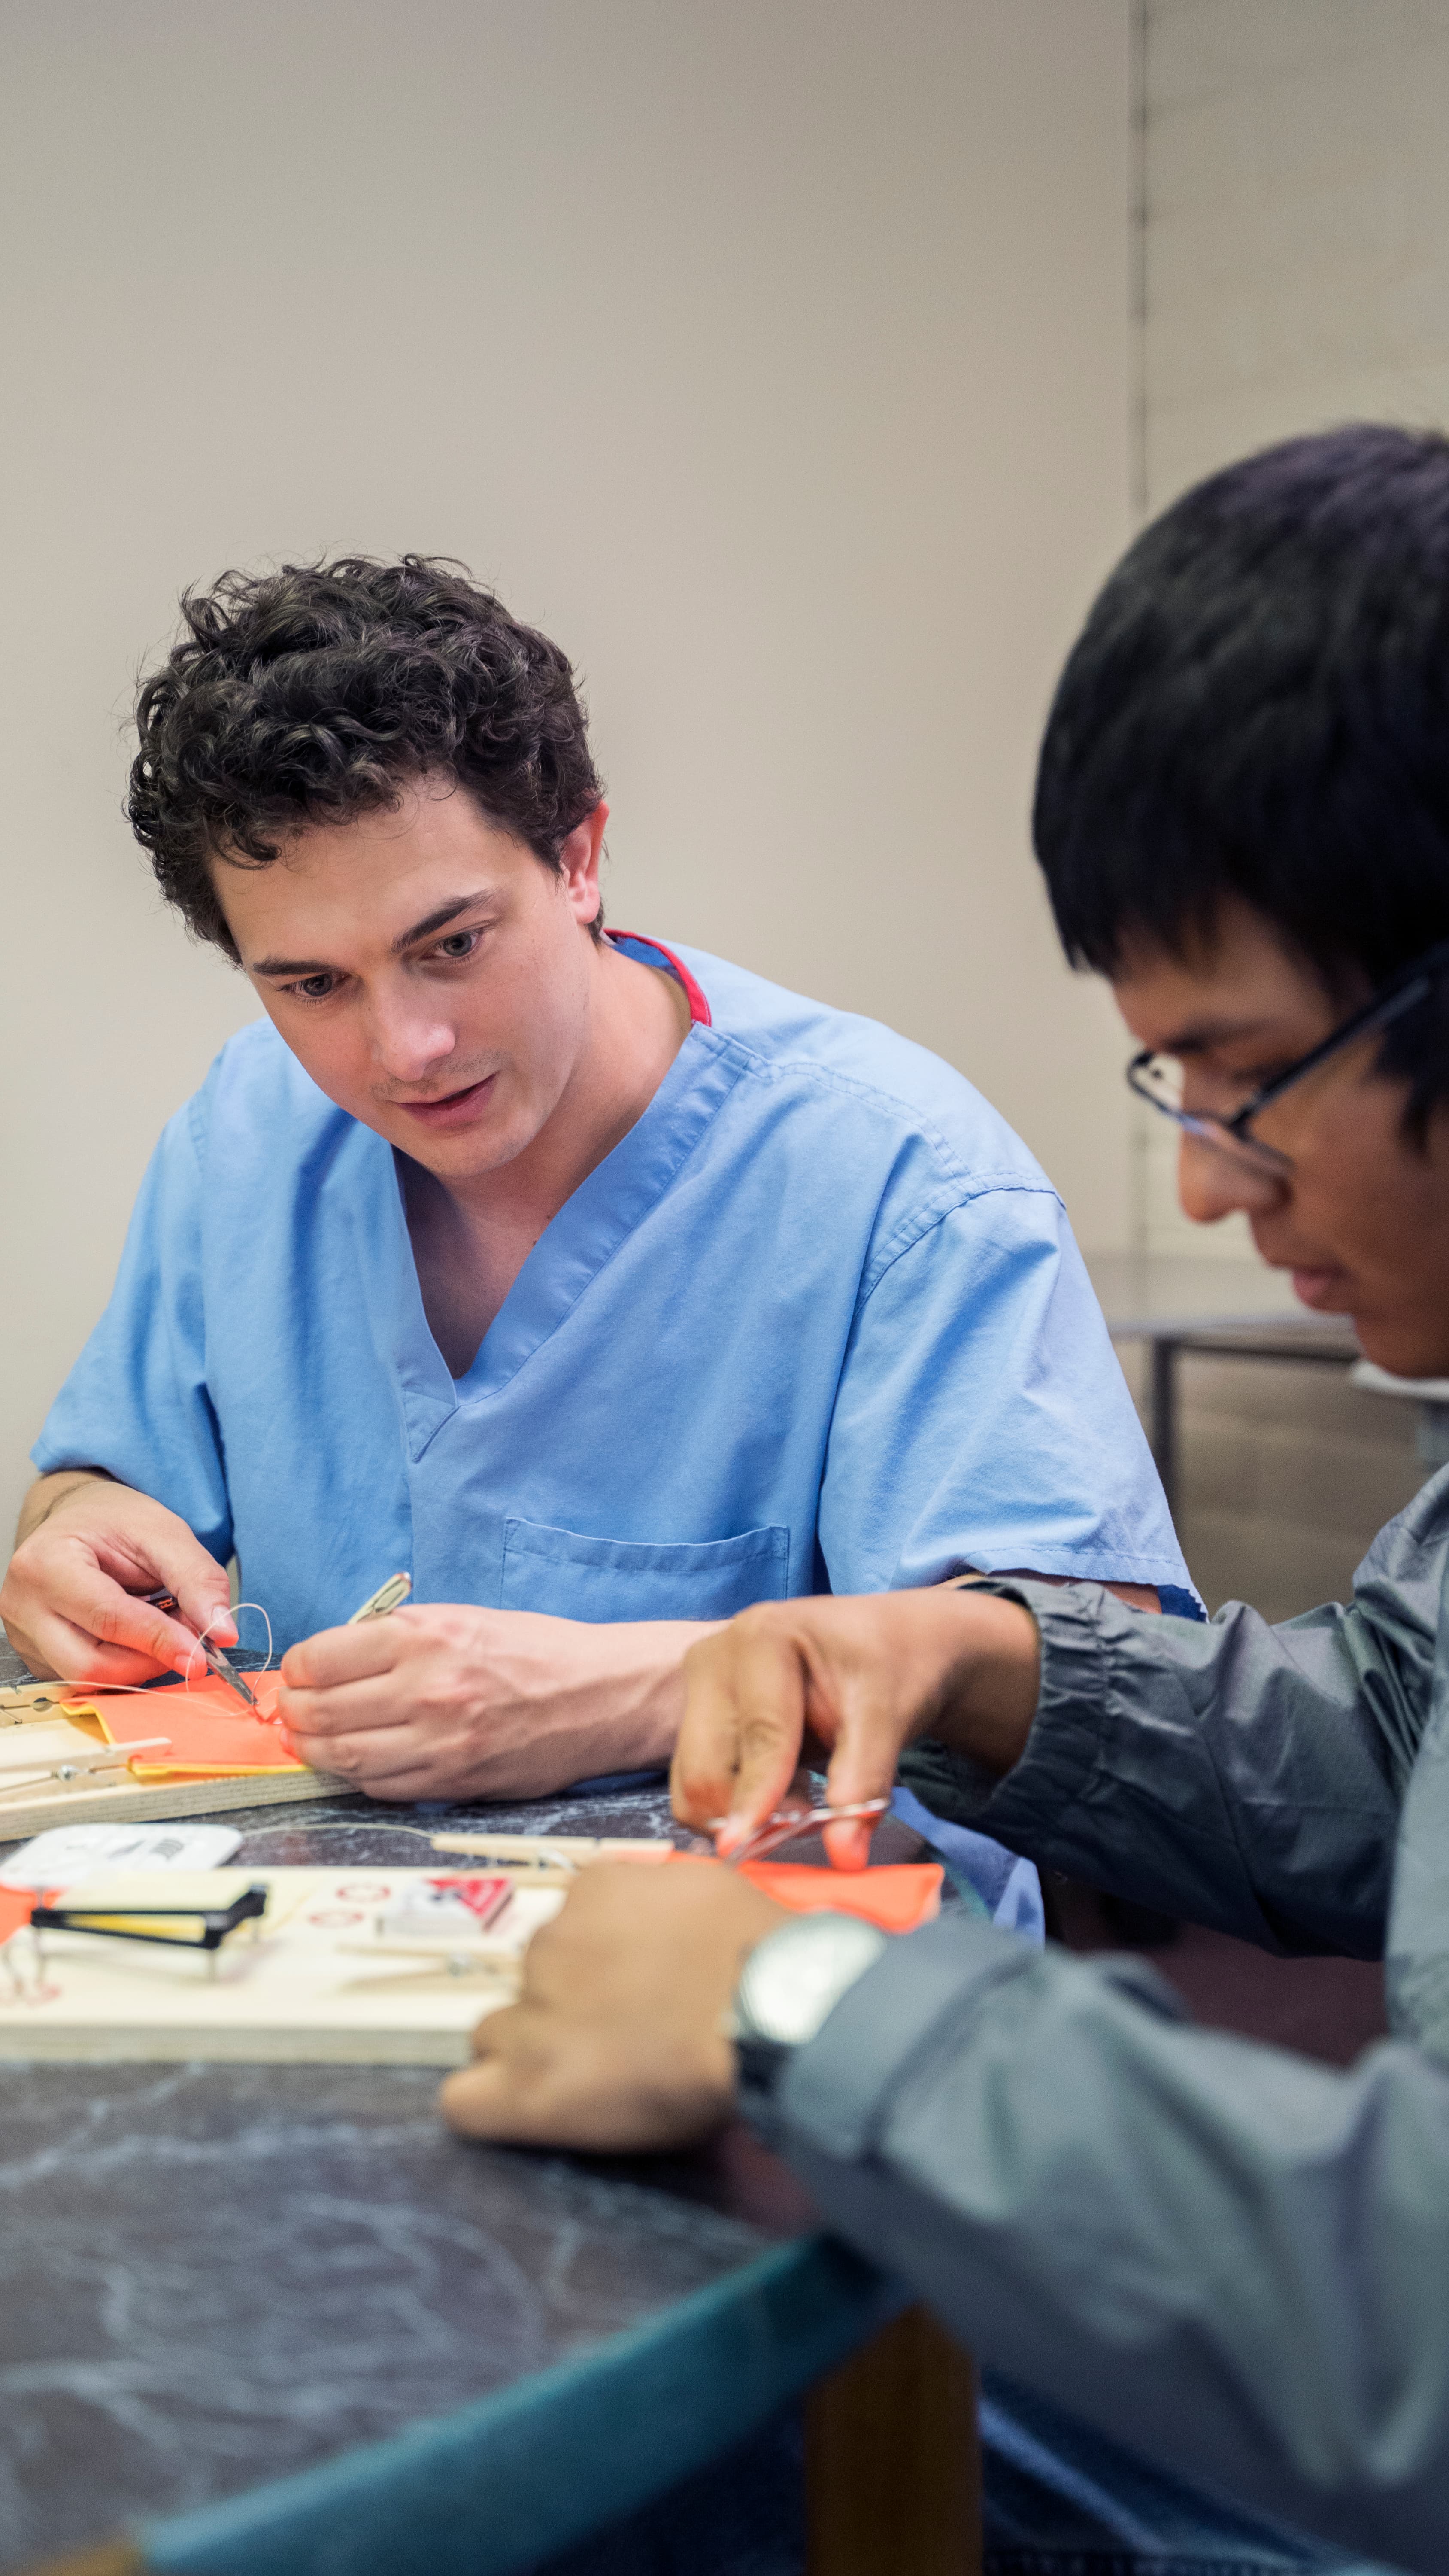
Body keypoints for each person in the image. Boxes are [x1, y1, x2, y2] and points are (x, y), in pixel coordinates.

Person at [442, 425, 1449, 2575]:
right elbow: (1400, 1738)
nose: (1196, 1181)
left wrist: (790, 2005)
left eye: (1245, 1076)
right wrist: (995, 1668)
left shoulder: (884, 1162)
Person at [0, 558, 1185, 1803]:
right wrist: (70, 1535)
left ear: (579, 859)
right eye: (312, 986)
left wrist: (647, 1690)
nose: (404, 1049)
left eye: (450, 945)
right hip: (325, 1940)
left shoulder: (903, 1183)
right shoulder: (248, 1135)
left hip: (782, 1961)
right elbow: (111, 1477)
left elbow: (1097, 1690)